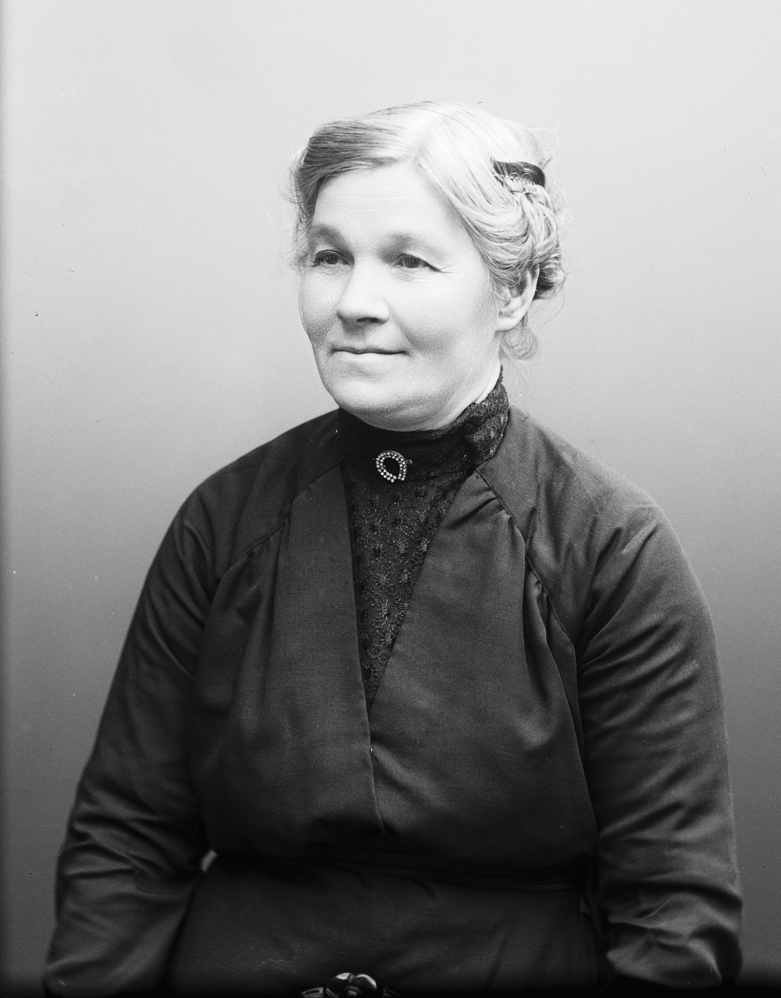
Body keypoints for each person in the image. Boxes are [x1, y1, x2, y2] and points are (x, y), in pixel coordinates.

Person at [44, 101, 742, 995]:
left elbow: (673, 911)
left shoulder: (608, 545)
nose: (354, 303)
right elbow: (127, 839)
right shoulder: (224, 520)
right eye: (330, 256)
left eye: (409, 261)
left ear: (512, 291)